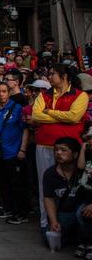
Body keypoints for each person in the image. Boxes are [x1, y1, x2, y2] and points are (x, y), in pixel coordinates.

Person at [33, 64, 89, 229]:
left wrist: (49, 112)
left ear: (64, 76)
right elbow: (36, 115)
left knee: (72, 184)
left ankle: (71, 223)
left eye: (53, 74)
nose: (49, 77)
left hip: (70, 148)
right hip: (44, 144)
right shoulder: (44, 95)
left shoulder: (81, 95)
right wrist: (61, 117)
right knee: (45, 183)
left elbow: (74, 117)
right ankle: (46, 222)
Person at [0, 81, 30, 225]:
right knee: (3, 182)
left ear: (9, 93)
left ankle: (21, 213)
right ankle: (8, 208)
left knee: (17, 184)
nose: (0, 94)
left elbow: (25, 129)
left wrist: (22, 150)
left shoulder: (17, 108)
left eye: (3, 91)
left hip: (13, 153)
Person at [43, 137, 90, 255]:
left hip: (85, 210)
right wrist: (53, 221)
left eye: (64, 150)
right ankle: (77, 236)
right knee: (49, 236)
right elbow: (48, 198)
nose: (58, 153)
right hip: (66, 213)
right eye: (56, 150)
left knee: (83, 215)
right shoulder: (50, 173)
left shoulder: (85, 170)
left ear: (75, 154)